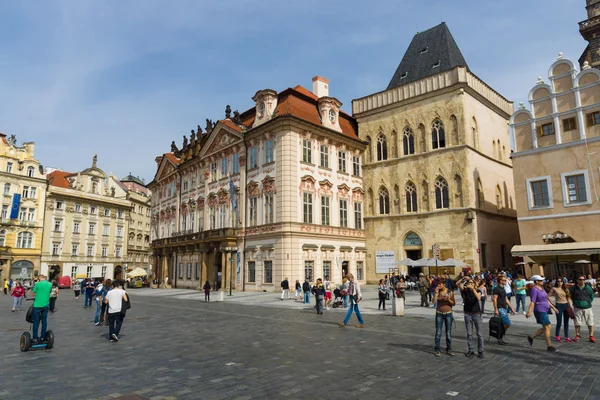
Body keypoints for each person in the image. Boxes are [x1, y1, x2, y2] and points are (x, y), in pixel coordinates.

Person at [526, 275, 559, 352]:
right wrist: (529, 312)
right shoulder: (534, 289)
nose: (542, 281)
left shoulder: (542, 288)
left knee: (547, 327)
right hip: (540, 310)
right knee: (547, 327)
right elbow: (533, 301)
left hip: (545, 309)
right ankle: (549, 346)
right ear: (536, 281)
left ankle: (531, 337)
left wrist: (553, 307)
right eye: (540, 280)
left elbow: (546, 299)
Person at [458, 276, 484, 358]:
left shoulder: (478, 290)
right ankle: (471, 350)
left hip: (476, 314)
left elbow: (478, 298)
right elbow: (457, 284)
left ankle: (480, 351)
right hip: (467, 313)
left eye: (472, 283)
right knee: (469, 333)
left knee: (479, 334)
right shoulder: (464, 291)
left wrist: (473, 289)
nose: (470, 284)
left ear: (475, 284)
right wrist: (463, 279)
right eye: (469, 283)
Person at [433, 279, 456, 357]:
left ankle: (448, 349)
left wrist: (449, 299)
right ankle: (437, 349)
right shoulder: (437, 292)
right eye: (438, 284)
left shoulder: (450, 292)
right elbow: (433, 302)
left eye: (440, 284)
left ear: (444, 284)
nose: (438, 286)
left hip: (448, 314)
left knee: (448, 332)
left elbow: (454, 303)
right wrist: (436, 293)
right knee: (438, 332)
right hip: (439, 313)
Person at [570, 275, 595, 343]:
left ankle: (591, 336)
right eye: (580, 279)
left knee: (590, 322)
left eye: (583, 279)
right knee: (577, 323)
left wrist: (587, 302)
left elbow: (592, 296)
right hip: (577, 307)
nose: (582, 281)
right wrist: (576, 302)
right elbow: (570, 296)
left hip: (587, 307)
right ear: (577, 280)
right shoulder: (573, 288)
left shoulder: (588, 287)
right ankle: (577, 335)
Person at [493, 275, 516, 345]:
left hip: (504, 308)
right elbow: (494, 299)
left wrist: (512, 308)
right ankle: (499, 336)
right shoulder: (496, 289)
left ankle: (500, 337)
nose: (506, 281)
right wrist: (496, 309)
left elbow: (506, 299)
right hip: (500, 308)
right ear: (500, 281)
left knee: (503, 324)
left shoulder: (503, 288)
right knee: (507, 323)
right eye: (505, 280)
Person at [29, 274, 52, 344]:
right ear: (44, 278)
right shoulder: (50, 284)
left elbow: (33, 294)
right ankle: (42, 337)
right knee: (44, 321)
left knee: (36, 321)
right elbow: (49, 292)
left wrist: (33, 291)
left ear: (39, 278)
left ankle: (35, 338)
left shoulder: (37, 284)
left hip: (37, 305)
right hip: (46, 305)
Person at [550, 278, 573, 342]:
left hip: (566, 305)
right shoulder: (554, 288)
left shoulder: (565, 289)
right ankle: (557, 335)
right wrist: (552, 303)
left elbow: (568, 298)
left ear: (563, 282)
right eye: (558, 281)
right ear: (556, 282)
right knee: (559, 322)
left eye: (561, 281)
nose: (559, 282)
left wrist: (570, 306)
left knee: (566, 322)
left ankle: (566, 336)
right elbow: (548, 296)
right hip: (558, 305)